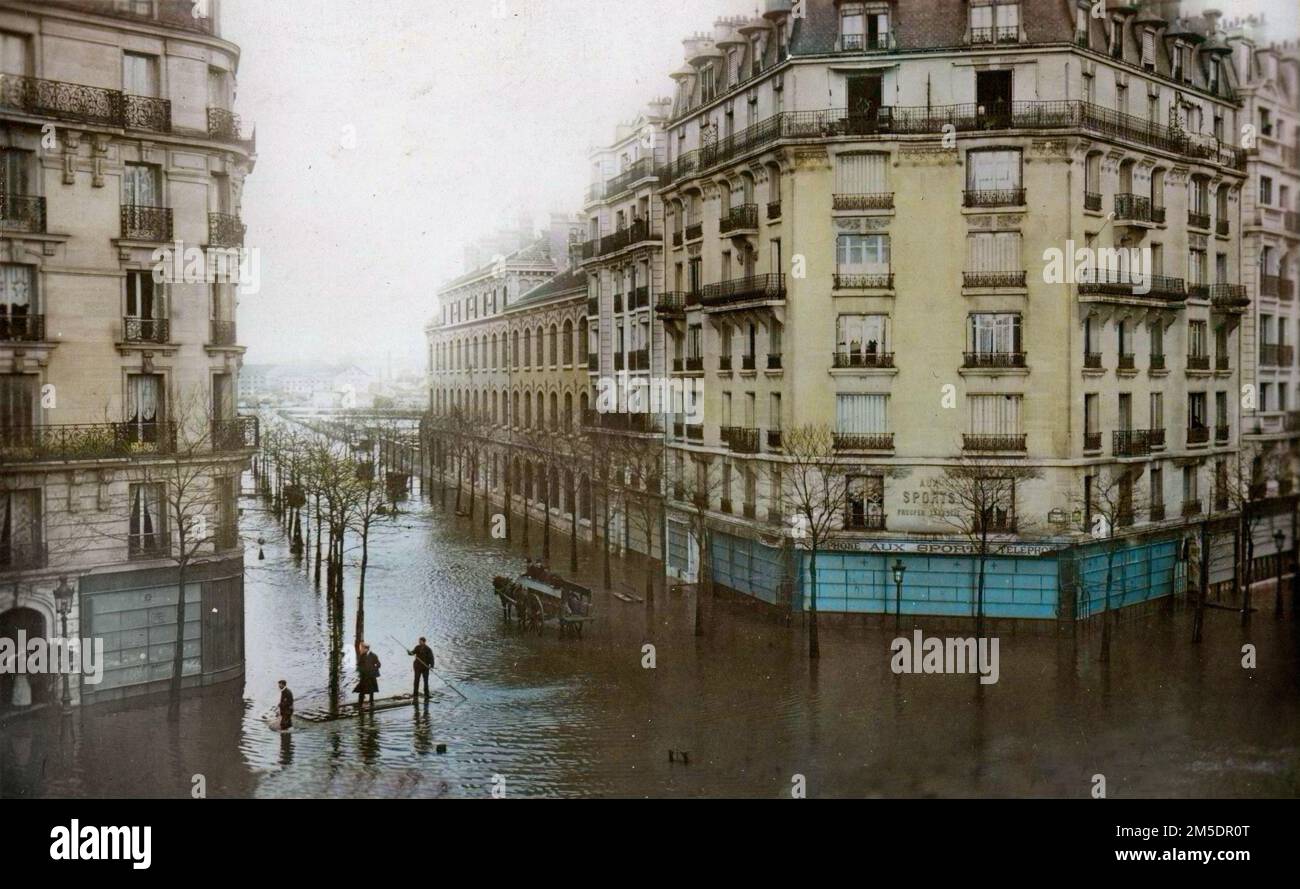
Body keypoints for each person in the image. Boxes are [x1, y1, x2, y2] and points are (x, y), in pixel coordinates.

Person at [354, 643, 381, 712]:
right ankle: (360, 704)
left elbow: (378, 664)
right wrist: (360, 670)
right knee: (362, 690)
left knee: (371, 690)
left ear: (366, 649)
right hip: (364, 676)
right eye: (361, 648)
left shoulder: (373, 655)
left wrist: (374, 669)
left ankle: (371, 703)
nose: (361, 650)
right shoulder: (362, 656)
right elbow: (359, 665)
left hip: (371, 675)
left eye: (362, 648)